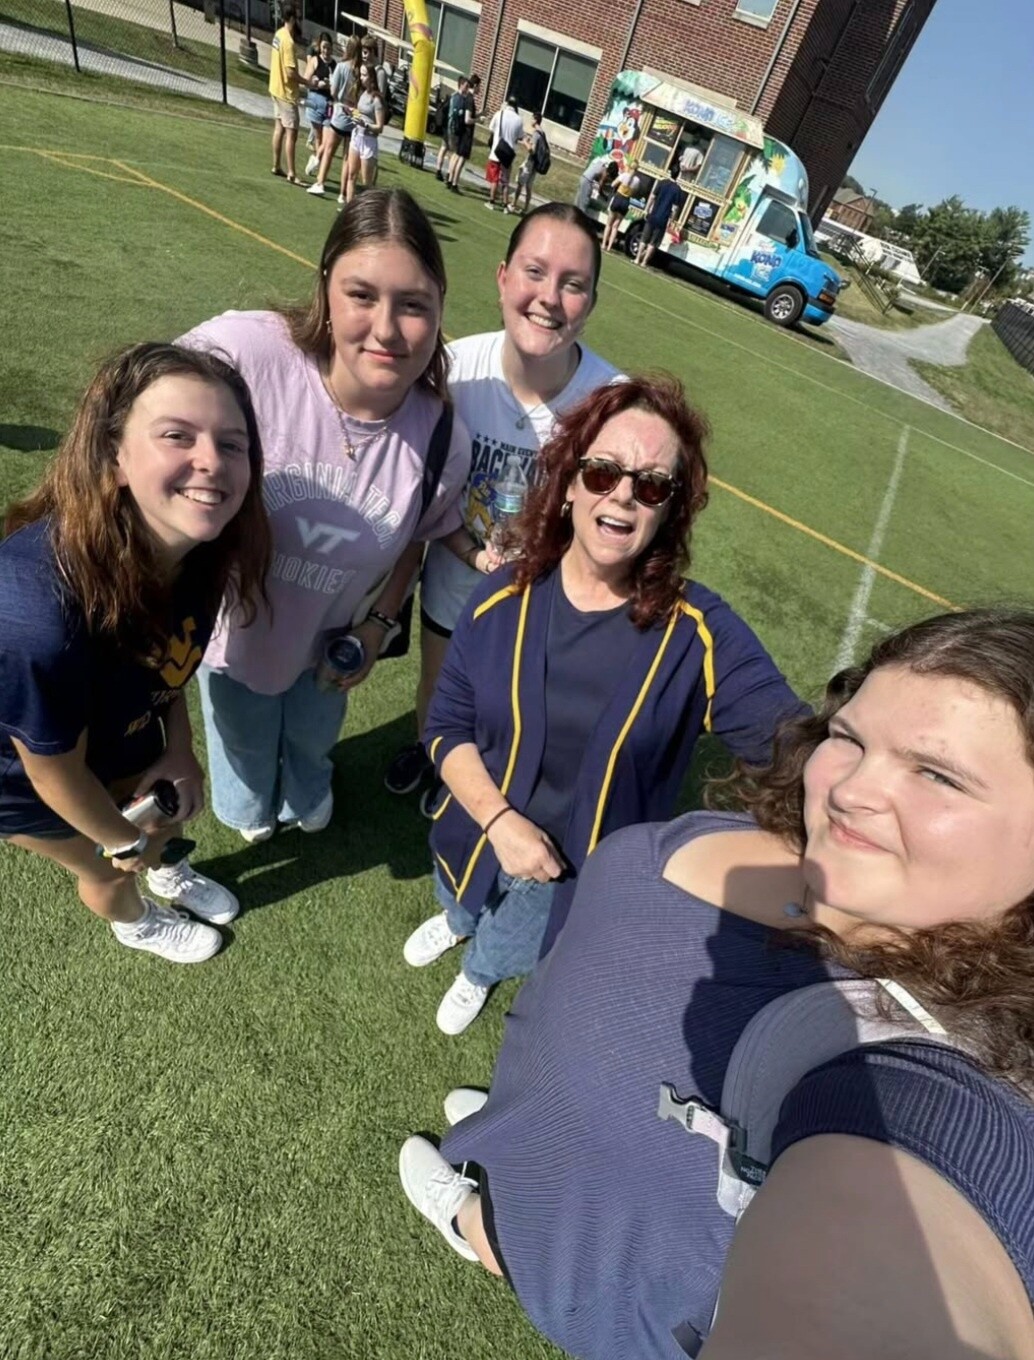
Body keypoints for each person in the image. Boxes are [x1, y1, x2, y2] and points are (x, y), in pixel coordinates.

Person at [401, 606, 1034, 1358]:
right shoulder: (808, 844)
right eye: (850, 738)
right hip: (549, 1132)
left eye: (937, 774)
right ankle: (512, 1142)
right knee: (543, 1149)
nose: (850, 789)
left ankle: (476, 1226)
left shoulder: (934, 1075)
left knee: (527, 1238)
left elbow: (909, 1251)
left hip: (593, 1271)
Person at [402, 375, 805, 1034]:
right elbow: (446, 727)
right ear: (567, 484)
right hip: (475, 830)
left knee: (512, 944)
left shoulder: (698, 634)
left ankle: (478, 971)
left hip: (572, 876)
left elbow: (798, 746)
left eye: (652, 485)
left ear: (670, 510)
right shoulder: (501, 598)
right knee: (459, 895)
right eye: (602, 472)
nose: (622, 494)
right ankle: (456, 920)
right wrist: (499, 821)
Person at [178, 190, 472, 844]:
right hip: (232, 640)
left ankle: (308, 788)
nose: (387, 329)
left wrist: (376, 625)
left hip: (334, 644)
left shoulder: (442, 434)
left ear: (440, 310)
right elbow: (143, 408)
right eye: (361, 295)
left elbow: (415, 538)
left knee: (313, 739)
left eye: (413, 304)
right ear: (325, 288)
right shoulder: (248, 357)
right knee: (244, 744)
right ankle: (251, 810)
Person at [0, 344, 272, 963]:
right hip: (27, 781)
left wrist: (179, 751)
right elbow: (53, 772)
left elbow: (167, 670)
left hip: (113, 734)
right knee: (107, 868)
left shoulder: (199, 555)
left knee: (160, 811)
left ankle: (168, 866)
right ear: (113, 456)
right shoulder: (35, 610)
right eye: (177, 435)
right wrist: (123, 842)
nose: (212, 460)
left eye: (232, 444)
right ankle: (137, 920)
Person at [384, 203, 619, 815]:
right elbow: (421, 489)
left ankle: (482, 782)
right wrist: (467, 553)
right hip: (454, 577)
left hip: (547, 601)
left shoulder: (612, 405)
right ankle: (432, 755)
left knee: (515, 702)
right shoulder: (456, 370)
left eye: (573, 284)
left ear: (591, 302)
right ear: (503, 277)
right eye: (534, 272)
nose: (549, 298)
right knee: (438, 684)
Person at [307, 36, 360, 203]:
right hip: (354, 116)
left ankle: (320, 183)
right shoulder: (360, 70)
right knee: (347, 157)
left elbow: (334, 91)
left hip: (339, 113)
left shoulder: (342, 67)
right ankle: (343, 194)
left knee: (329, 149)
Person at [269, 3, 306, 185]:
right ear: (291, 18)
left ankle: (276, 165)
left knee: (279, 128)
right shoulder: (288, 42)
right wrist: (308, 82)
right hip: (286, 93)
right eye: (297, 18)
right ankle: (292, 172)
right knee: (292, 134)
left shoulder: (278, 34)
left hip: (275, 89)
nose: (299, 21)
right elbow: (290, 72)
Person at [342, 64, 386, 205]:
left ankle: (369, 210)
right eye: (361, 74)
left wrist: (366, 125)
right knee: (351, 175)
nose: (361, 78)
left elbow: (380, 127)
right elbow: (360, 114)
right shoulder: (363, 94)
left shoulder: (376, 100)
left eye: (364, 75)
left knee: (366, 183)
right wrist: (351, 112)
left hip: (368, 141)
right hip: (357, 137)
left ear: (372, 77)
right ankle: (349, 207)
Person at [436, 74, 479, 194]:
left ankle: (449, 178)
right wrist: (478, 120)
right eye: (479, 87)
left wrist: (479, 114)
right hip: (462, 132)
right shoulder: (469, 98)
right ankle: (453, 182)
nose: (479, 90)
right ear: (475, 86)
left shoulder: (462, 97)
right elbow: (467, 119)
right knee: (460, 157)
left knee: (454, 154)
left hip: (455, 129)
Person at [638, 163, 685, 268]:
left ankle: (637, 259)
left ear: (670, 172)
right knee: (653, 243)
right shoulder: (677, 190)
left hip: (653, 214)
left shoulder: (661, 183)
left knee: (644, 238)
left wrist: (646, 210)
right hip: (663, 218)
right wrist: (671, 220)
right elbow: (675, 208)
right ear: (678, 175)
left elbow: (652, 197)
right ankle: (644, 262)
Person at [303, 32, 336, 176]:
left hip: (329, 105)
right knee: (318, 138)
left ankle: (316, 159)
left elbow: (337, 86)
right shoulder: (315, 60)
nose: (326, 51)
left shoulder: (334, 65)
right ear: (320, 47)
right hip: (316, 102)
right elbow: (306, 81)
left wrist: (330, 86)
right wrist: (316, 83)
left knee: (327, 140)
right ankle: (319, 169)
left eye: (328, 47)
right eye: (324, 47)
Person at [484, 96, 523, 212]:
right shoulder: (519, 120)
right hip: (508, 153)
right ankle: (505, 205)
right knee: (505, 181)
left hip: (497, 151)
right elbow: (520, 136)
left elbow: (491, 128)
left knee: (494, 179)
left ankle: (492, 201)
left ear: (507, 103)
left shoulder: (499, 114)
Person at [506, 112, 545, 215]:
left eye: (532, 119)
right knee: (529, 186)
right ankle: (526, 209)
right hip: (536, 164)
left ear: (535, 120)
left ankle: (513, 204)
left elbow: (532, 150)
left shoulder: (536, 134)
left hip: (530, 162)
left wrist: (525, 142)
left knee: (520, 182)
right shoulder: (542, 133)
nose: (530, 121)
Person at [601, 161, 641, 252]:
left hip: (618, 198)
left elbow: (613, 184)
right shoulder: (637, 181)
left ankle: (603, 244)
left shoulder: (624, 175)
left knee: (609, 224)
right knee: (615, 227)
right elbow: (635, 191)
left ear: (629, 167)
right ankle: (609, 247)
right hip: (626, 201)